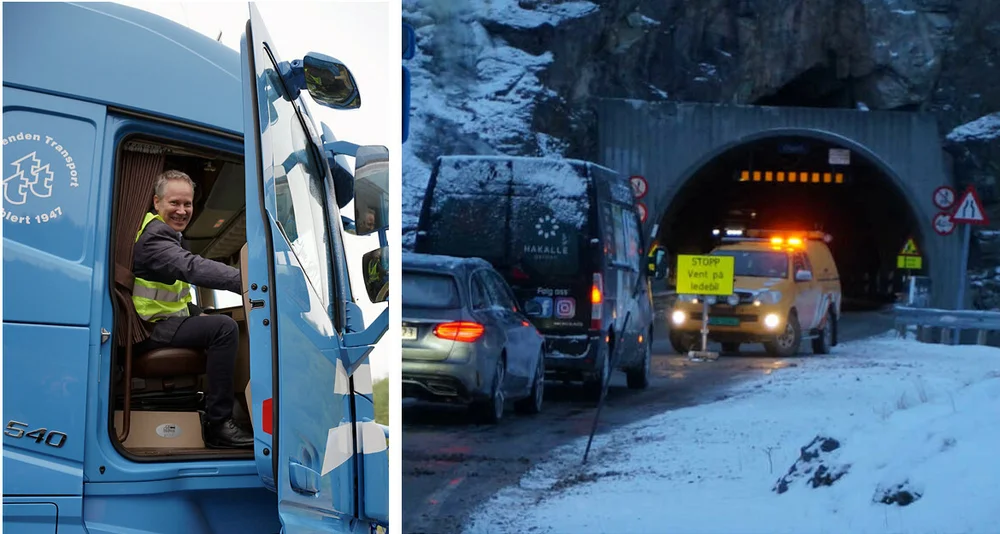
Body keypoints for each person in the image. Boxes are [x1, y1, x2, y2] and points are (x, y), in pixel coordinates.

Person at [131, 170, 253, 449]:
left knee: (214, 319)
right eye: (174, 203)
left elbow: (173, 295)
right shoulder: (154, 237)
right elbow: (192, 267)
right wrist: (249, 281)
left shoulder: (167, 234)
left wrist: (199, 312)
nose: (182, 210)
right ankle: (218, 424)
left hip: (157, 322)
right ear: (156, 202)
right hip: (147, 329)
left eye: (187, 204)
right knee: (224, 328)